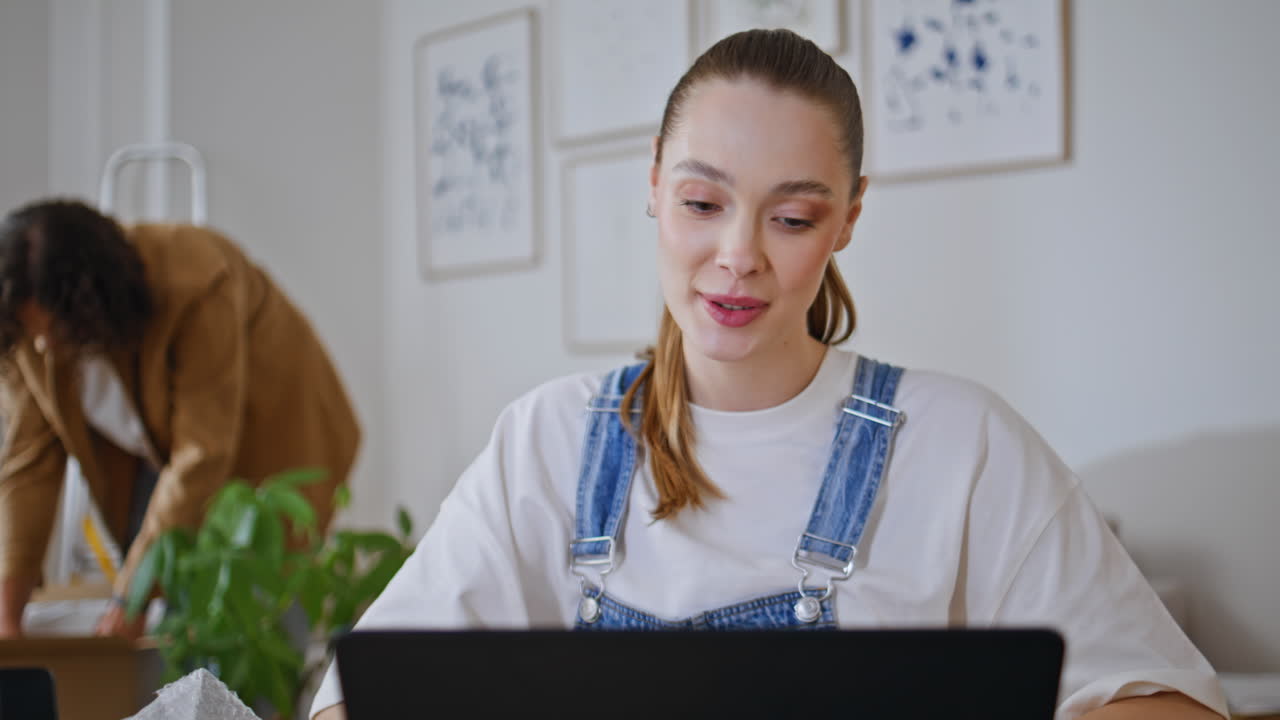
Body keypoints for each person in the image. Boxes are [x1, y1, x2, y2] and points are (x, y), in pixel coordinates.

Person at [311, 30, 1226, 720]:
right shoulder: (543, 444)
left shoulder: (966, 445)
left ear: (847, 222)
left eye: (791, 218)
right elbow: (354, 701)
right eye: (703, 203)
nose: (738, 256)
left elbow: (1175, 705)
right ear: (654, 187)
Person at [0, 199, 361, 639]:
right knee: (165, 631)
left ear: (91, 303)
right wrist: (8, 615)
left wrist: (127, 602)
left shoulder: (196, 278)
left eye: (57, 332)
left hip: (272, 452)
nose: (46, 351)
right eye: (33, 335)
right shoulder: (24, 324)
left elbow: (203, 451)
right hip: (157, 460)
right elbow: (29, 465)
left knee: (254, 628)